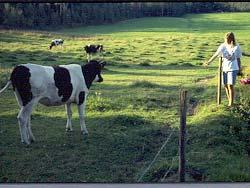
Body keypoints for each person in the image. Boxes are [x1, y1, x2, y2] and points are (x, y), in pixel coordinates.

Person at [204, 32, 242, 107]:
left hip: (233, 68)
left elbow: (238, 58)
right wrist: (209, 62)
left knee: (230, 85)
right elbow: (216, 54)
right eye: (226, 39)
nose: (226, 41)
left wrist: (239, 68)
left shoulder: (236, 46)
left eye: (228, 39)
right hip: (225, 68)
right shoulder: (223, 46)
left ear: (232, 39)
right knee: (225, 85)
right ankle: (230, 101)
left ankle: (231, 103)